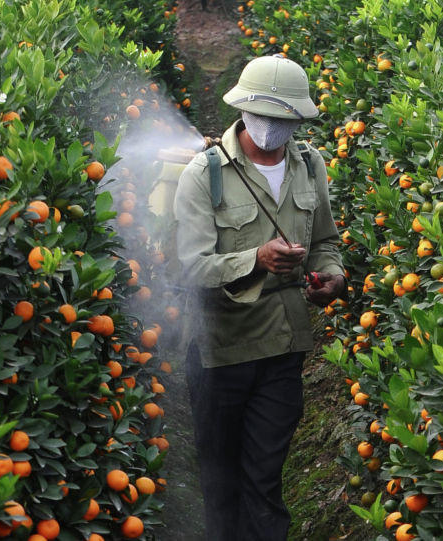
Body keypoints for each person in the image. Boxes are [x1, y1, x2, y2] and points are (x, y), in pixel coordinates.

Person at [173, 55, 346, 541]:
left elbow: (325, 243)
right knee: (221, 480)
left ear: (297, 118)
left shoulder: (310, 166)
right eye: (263, 116)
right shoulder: (203, 175)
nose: (272, 128)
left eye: (283, 119)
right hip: (220, 352)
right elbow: (191, 266)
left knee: (265, 478)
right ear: (243, 111)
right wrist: (256, 259)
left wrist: (330, 276)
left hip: (283, 348)